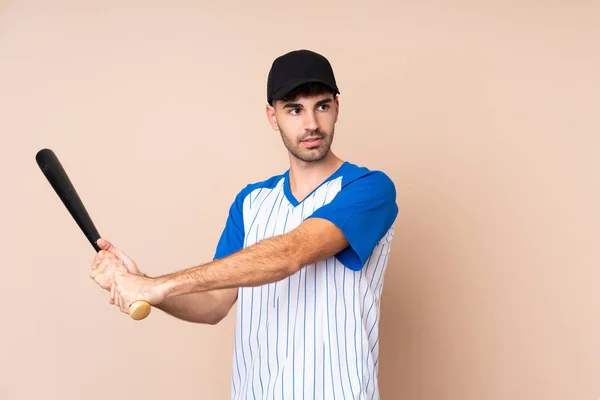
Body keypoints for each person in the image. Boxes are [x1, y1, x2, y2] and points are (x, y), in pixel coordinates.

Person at [90, 49, 398, 399]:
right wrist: (141, 283)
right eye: (294, 109)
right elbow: (214, 304)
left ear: (337, 108)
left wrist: (158, 285)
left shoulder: (369, 188)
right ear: (272, 116)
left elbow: (291, 252)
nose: (311, 123)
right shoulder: (250, 202)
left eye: (322, 106)